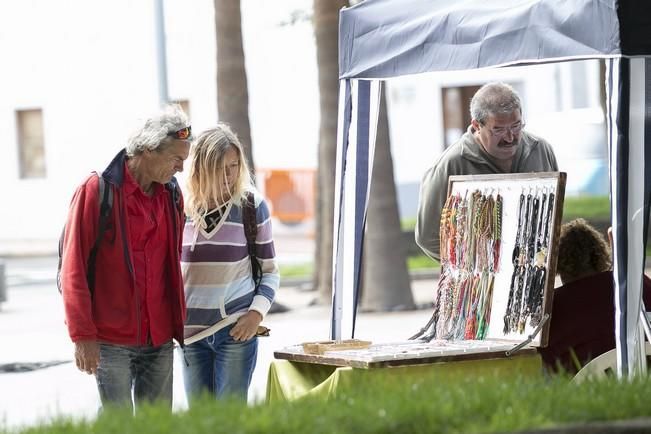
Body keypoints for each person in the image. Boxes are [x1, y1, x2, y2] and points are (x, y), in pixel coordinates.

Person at [60, 104, 191, 411]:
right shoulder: (96, 190)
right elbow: (73, 269)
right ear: (147, 150)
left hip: (159, 338)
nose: (181, 169)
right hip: (110, 340)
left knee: (156, 428)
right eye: (176, 158)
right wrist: (82, 336)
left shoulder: (172, 194)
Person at [180, 124, 279, 402]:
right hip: (189, 337)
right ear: (201, 168)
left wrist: (255, 315)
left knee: (229, 422)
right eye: (220, 168)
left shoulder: (250, 206)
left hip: (234, 331)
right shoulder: (180, 208)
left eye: (234, 166)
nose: (228, 175)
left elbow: (270, 272)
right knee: (202, 424)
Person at [415, 82, 559, 260]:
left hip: (535, 275)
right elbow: (428, 237)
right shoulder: (451, 165)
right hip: (481, 282)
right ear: (476, 125)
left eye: (516, 126)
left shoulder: (541, 149)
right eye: (498, 129)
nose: (510, 137)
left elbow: (554, 216)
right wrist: (477, 267)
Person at [539, 218, 651, 374]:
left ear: (556, 263)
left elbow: (547, 358)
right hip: (642, 378)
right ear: (599, 253)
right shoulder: (633, 283)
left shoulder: (550, 307)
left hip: (582, 390)